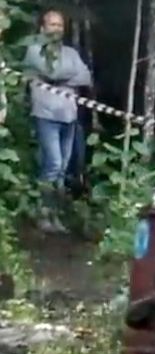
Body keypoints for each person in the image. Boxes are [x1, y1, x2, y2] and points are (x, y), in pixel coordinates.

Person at [23, 8, 93, 210]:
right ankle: (42, 212)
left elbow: (85, 76)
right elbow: (51, 72)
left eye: (60, 25)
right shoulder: (34, 50)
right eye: (52, 24)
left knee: (63, 168)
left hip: (69, 116)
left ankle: (54, 214)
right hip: (46, 114)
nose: (57, 28)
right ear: (43, 27)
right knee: (53, 164)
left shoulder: (70, 52)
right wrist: (67, 76)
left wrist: (61, 76)